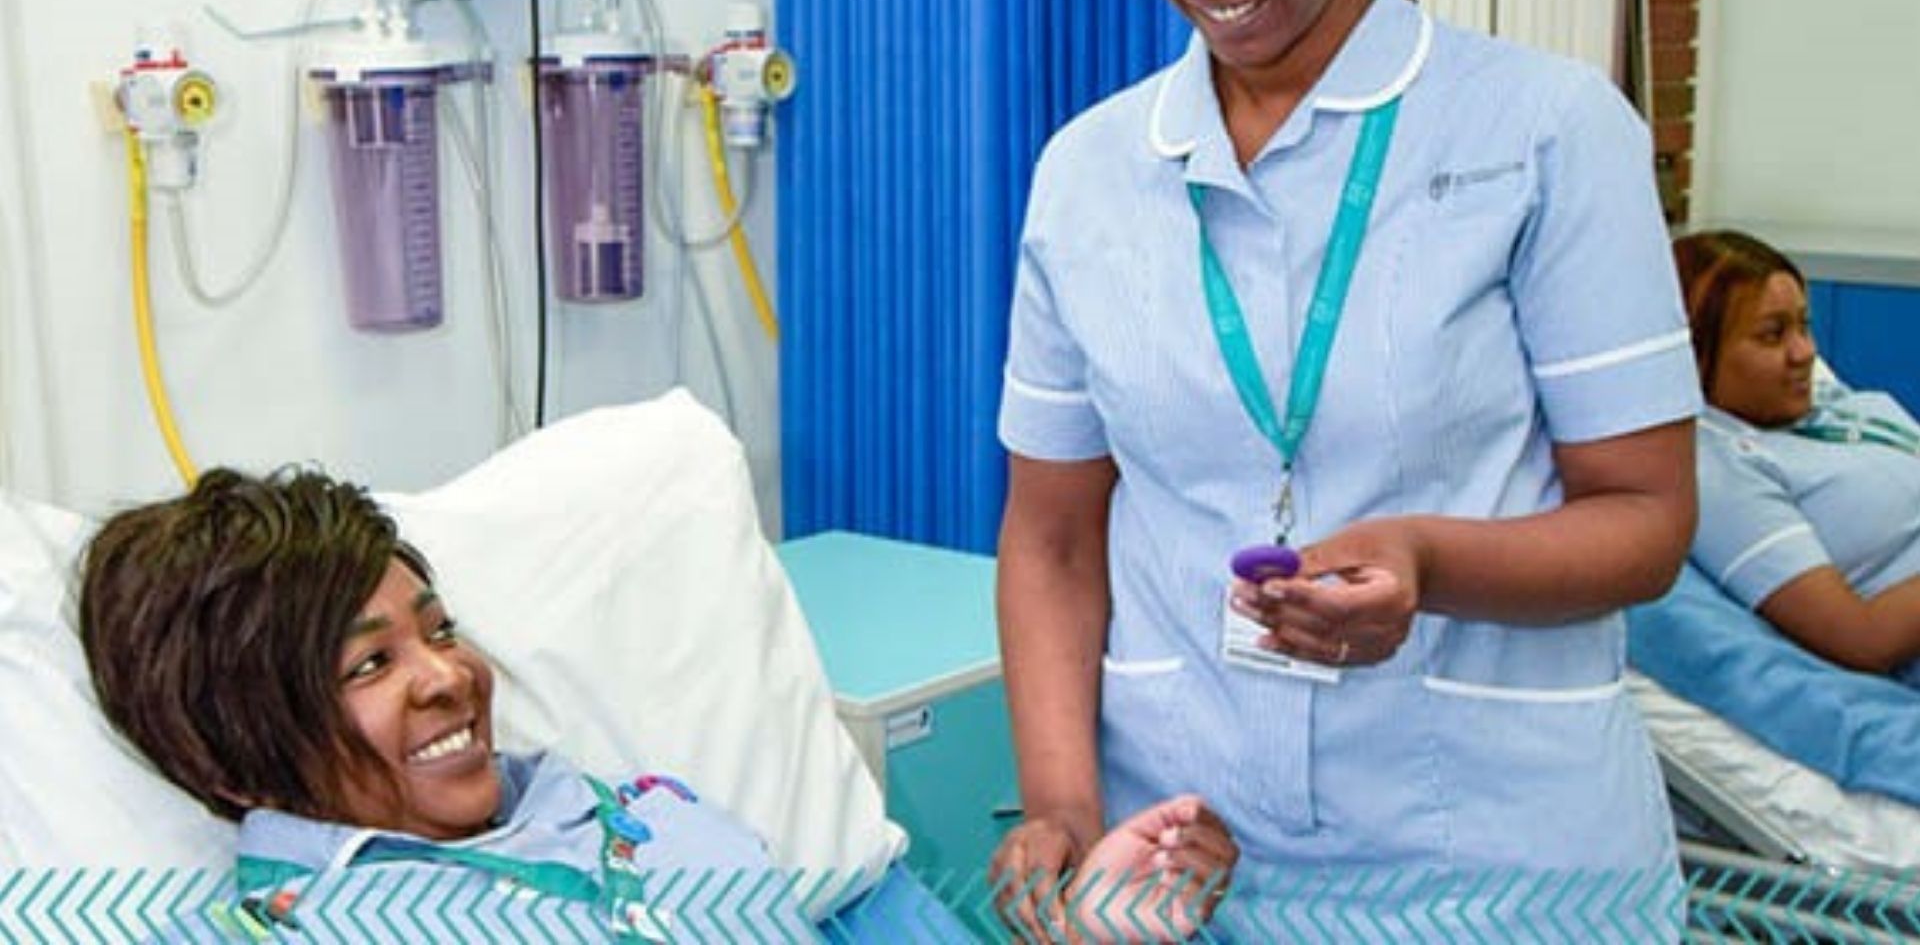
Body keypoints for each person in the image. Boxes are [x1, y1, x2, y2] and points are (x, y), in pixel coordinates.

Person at [991, 0, 1701, 908]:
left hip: (1502, 867)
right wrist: (1060, 800)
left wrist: (1429, 560)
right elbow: (1051, 538)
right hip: (1187, 853)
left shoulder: (1545, 132)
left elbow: (1647, 518)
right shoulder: (1087, 174)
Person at [79, 467, 1239, 941]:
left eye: (436, 628)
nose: (446, 675)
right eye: (367, 666)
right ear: (233, 760)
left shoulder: (637, 808)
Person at [1674, 229, 1920, 688]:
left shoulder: (1836, 408)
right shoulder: (1717, 467)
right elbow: (1861, 640)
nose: (1804, 353)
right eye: (1772, 335)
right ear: (1692, 353)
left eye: (1804, 326)